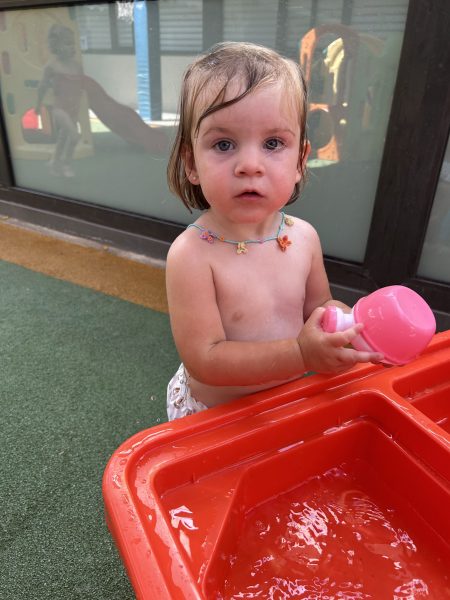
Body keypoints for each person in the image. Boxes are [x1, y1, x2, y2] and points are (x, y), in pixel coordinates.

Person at [165, 42, 383, 420]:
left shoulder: (304, 238)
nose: (250, 165)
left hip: (284, 404)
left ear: (300, 161)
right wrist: (300, 354)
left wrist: (350, 323)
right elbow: (205, 359)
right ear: (191, 163)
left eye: (273, 143)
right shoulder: (192, 254)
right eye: (223, 144)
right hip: (213, 416)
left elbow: (318, 308)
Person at [35, 24, 83, 178]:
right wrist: (38, 105)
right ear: (56, 46)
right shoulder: (52, 66)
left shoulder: (77, 66)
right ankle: (66, 164)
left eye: (73, 43)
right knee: (74, 136)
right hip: (59, 108)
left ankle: (55, 162)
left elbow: (81, 85)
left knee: (63, 138)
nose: (72, 47)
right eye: (67, 43)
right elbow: (42, 87)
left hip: (73, 107)